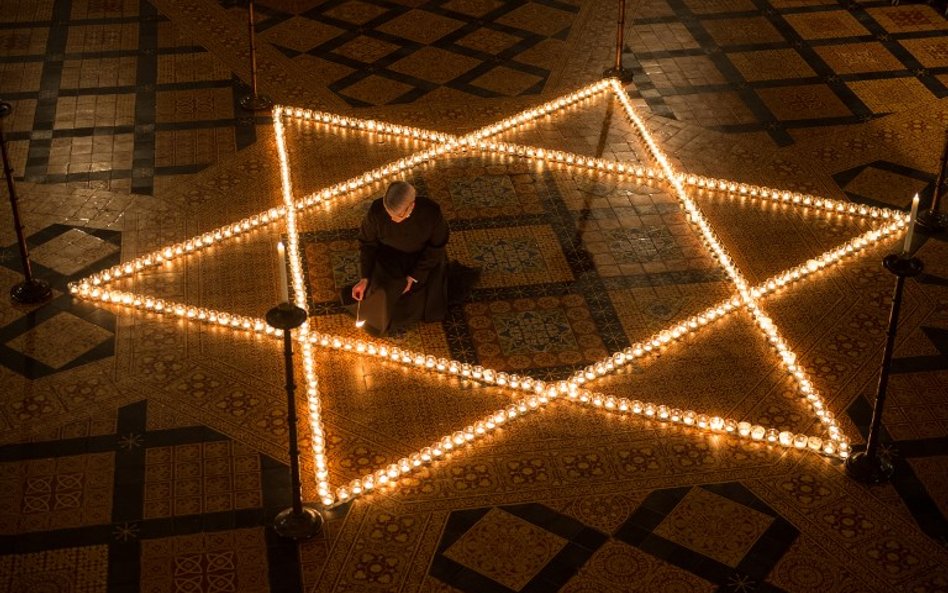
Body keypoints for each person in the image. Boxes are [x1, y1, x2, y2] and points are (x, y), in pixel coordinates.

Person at [343, 181, 450, 337]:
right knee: (382, 296)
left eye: (399, 215)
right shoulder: (376, 211)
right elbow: (367, 244)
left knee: (415, 300)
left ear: (411, 206)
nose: (392, 219)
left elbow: (437, 248)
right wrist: (365, 277)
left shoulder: (431, 212)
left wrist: (414, 277)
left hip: (422, 260)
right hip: (389, 258)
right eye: (389, 213)